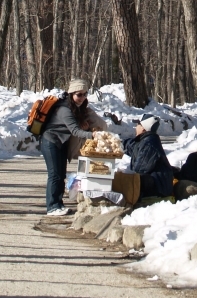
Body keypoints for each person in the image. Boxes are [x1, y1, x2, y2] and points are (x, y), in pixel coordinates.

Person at [40, 78, 109, 216]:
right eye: (79, 94)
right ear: (71, 94)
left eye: (85, 94)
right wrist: (93, 135)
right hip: (51, 141)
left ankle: (58, 204)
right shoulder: (64, 109)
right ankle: (52, 206)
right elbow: (75, 131)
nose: (82, 98)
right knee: (55, 175)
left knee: (61, 174)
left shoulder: (76, 107)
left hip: (61, 141)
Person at [123, 114, 174, 200]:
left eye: (138, 125)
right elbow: (132, 147)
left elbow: (139, 169)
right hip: (157, 182)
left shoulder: (149, 144)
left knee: (131, 179)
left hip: (159, 187)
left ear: (143, 128)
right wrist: (117, 142)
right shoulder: (145, 140)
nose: (136, 127)